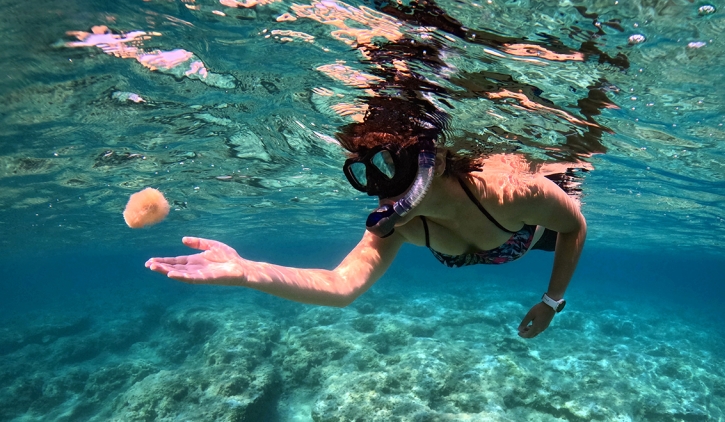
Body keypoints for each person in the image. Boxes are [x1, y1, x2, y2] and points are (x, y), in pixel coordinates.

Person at [146, 96, 587, 339]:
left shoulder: (513, 191)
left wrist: (551, 302)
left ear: (430, 155)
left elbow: (574, 227)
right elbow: (341, 286)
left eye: (390, 163)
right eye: (364, 170)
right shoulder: (399, 225)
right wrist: (248, 272)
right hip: (487, 243)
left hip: (530, 234)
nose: (380, 182)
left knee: (580, 146)